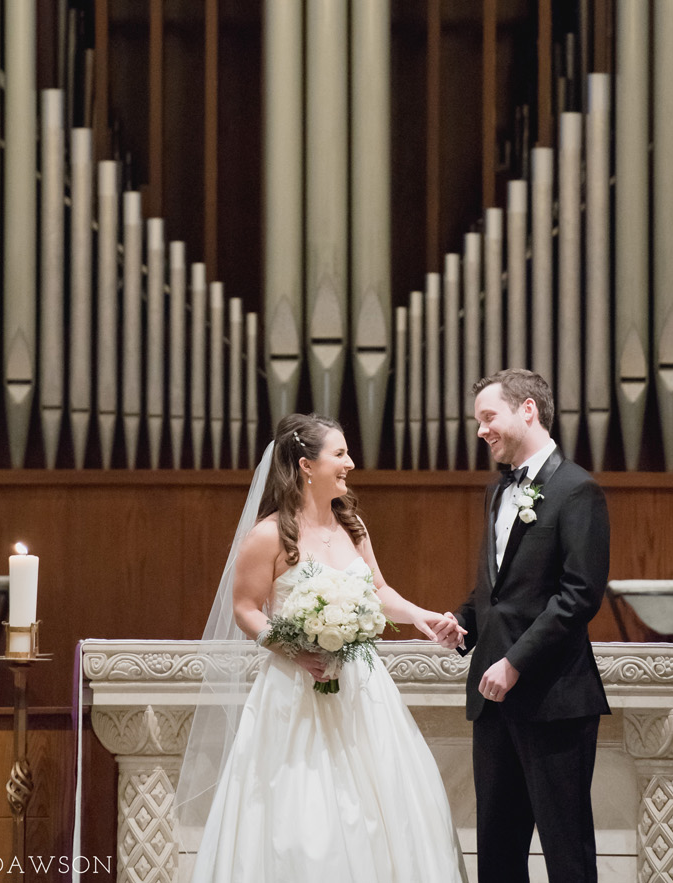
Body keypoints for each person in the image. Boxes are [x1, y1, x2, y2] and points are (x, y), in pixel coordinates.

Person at [176, 411, 468, 883]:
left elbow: (377, 591)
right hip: (294, 691)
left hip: (361, 689)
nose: (350, 462)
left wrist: (421, 616)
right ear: (306, 465)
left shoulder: (352, 527)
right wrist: (294, 649)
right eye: (340, 453)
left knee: (381, 807)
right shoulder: (269, 534)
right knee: (301, 812)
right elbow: (247, 609)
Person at [439, 369, 610, 883]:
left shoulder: (578, 491)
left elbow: (578, 596)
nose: (481, 431)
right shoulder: (496, 493)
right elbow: (497, 590)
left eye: (488, 417)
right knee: (496, 853)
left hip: (553, 698)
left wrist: (514, 663)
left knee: (567, 852)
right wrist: (462, 621)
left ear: (528, 410)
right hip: (494, 704)